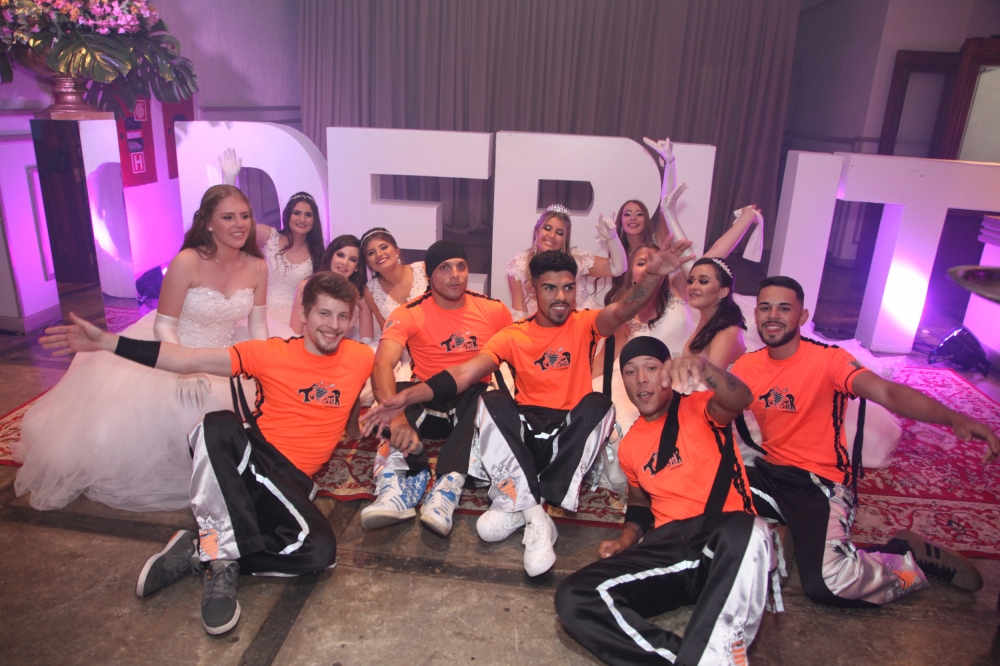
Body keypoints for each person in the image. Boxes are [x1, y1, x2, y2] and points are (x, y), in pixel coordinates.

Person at [39, 272, 374, 635]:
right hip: (251, 464)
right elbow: (187, 359)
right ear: (305, 315)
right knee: (217, 424)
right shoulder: (269, 352)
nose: (333, 325)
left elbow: (361, 395)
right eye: (324, 314)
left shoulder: (359, 358)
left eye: (342, 316)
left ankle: (203, 549)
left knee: (320, 553)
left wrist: (380, 421)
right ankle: (221, 566)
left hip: (290, 487)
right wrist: (108, 342)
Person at [363, 241, 694, 576]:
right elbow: (463, 374)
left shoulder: (586, 323)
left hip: (567, 437)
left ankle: (521, 503)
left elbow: (624, 309)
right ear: (533, 290)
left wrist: (652, 277)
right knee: (490, 399)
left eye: (568, 288)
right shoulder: (513, 335)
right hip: (525, 436)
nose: (561, 297)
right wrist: (406, 397)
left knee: (600, 404)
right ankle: (537, 516)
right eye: (550, 288)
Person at [732, 275, 1000, 606]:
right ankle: (783, 534)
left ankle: (907, 556)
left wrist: (954, 418)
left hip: (818, 483)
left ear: (802, 316)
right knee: (702, 482)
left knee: (828, 585)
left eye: (784, 308)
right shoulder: (747, 366)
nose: (773, 316)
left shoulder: (829, 360)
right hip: (770, 475)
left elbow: (887, 392)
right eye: (765, 308)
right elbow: (711, 412)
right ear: (756, 314)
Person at [13, 185, 269, 512]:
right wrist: (184, 369)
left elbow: (258, 326)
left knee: (261, 411)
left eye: (244, 216)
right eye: (228, 217)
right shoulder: (187, 261)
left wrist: (264, 366)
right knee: (175, 416)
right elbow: (164, 324)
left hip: (227, 353)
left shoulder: (257, 266)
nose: (239, 224)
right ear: (208, 223)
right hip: (174, 349)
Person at [556, 337, 773, 666]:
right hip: (669, 549)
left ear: (668, 373)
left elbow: (741, 397)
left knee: (751, 530)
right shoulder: (631, 445)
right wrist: (625, 540)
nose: (640, 379)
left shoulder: (700, 408)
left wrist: (705, 368)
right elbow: (640, 504)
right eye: (630, 372)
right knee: (575, 596)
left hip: (721, 540)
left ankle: (713, 654)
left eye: (651, 368)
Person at [361, 240, 513, 534]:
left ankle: (447, 488)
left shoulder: (494, 310)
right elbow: (382, 364)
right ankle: (397, 489)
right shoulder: (407, 313)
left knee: (491, 397)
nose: (455, 275)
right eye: (444, 268)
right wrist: (396, 418)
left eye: (461, 266)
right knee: (397, 392)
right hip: (428, 402)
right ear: (429, 275)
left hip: (472, 407)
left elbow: (517, 355)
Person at [507, 204, 628, 318]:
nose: (551, 235)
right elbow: (519, 314)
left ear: (565, 239)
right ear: (536, 231)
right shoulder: (519, 264)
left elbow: (618, 268)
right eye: (547, 228)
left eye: (559, 233)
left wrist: (612, 238)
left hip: (587, 324)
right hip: (541, 330)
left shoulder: (577, 259)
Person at [256, 192, 323, 331]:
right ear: (287, 215)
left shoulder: (318, 253)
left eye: (308, 215)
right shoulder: (268, 236)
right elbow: (239, 230)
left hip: (294, 318)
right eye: (297, 213)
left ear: (314, 220)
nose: (302, 219)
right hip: (261, 312)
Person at [289, 235, 375, 343]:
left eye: (352, 259)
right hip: (311, 345)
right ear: (331, 256)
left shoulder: (361, 295)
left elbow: (367, 341)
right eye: (340, 255)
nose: (344, 263)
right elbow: (295, 334)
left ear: (357, 267)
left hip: (346, 347)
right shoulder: (306, 287)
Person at [361, 227, 428, 330]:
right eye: (371, 253)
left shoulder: (423, 270)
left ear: (397, 250)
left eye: (383, 247)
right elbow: (386, 330)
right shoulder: (371, 291)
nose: (379, 254)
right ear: (368, 263)